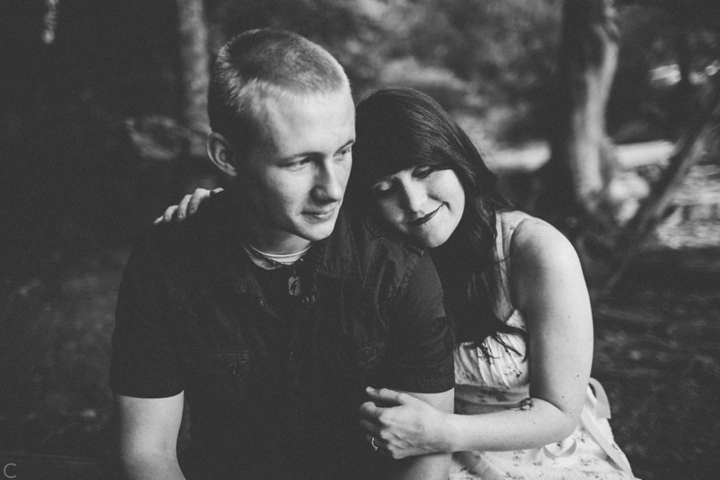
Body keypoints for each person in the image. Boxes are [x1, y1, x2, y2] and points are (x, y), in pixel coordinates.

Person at [164, 86, 638, 479]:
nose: (413, 203)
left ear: (459, 158)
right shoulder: (375, 257)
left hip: (535, 450)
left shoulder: (536, 251)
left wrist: (441, 432)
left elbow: (559, 412)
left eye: (426, 171)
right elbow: (292, 208)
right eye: (384, 189)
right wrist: (225, 205)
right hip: (416, 453)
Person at [111, 31, 455, 480]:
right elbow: (147, 453)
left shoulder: (396, 265)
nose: (331, 189)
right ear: (227, 156)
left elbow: (427, 454)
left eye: (344, 152)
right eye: (299, 162)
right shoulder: (166, 263)